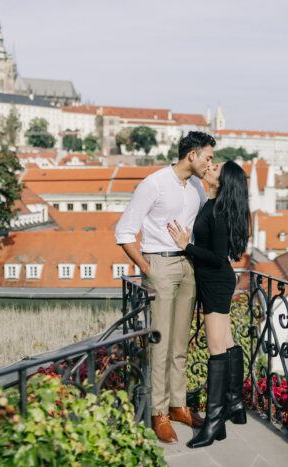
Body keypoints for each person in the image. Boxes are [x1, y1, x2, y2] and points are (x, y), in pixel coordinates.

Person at [115, 131, 215, 444]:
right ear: (192, 156)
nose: (210, 163)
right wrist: (148, 269)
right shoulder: (154, 183)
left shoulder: (197, 186)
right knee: (160, 343)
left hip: (188, 265)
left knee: (180, 342)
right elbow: (124, 231)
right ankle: (158, 412)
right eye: (208, 157)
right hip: (159, 263)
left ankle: (178, 405)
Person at [167, 160, 251, 448]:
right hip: (215, 280)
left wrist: (185, 246)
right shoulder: (213, 203)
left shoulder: (219, 211)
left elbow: (217, 257)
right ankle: (234, 405)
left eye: (215, 168)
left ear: (222, 181)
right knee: (226, 342)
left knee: (216, 349)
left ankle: (214, 422)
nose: (210, 167)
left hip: (215, 281)